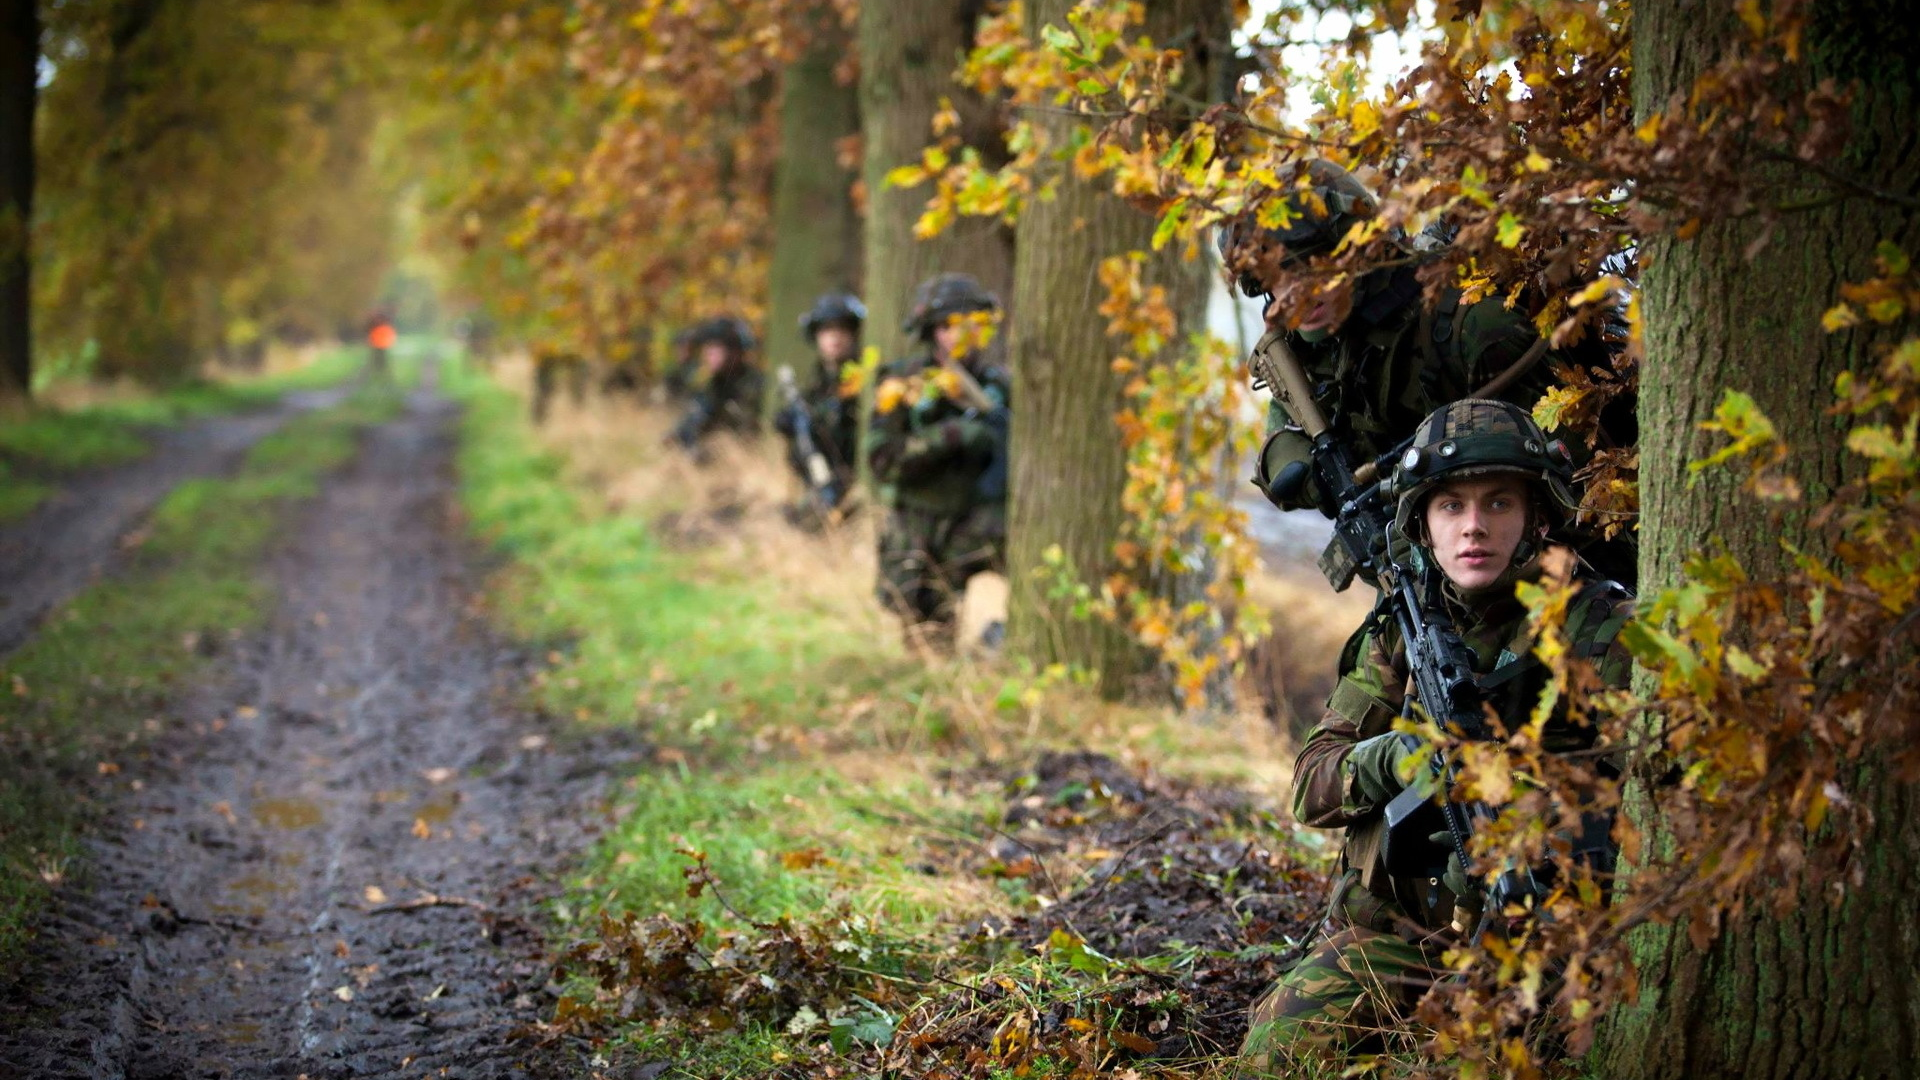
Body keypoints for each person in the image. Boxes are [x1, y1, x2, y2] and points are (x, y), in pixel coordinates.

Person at [1238, 399, 1633, 1070]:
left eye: (1499, 504)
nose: (1473, 527)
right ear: (1422, 523)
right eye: (1451, 507)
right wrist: (1390, 758)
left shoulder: (1601, 632)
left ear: (1538, 517)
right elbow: (1311, 788)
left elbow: (1659, 799)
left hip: (1551, 946)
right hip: (1405, 937)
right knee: (1271, 1057)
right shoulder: (1402, 631)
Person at [1219, 161, 1623, 521]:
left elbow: (1583, 491)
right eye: (1274, 280)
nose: (1294, 297)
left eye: (1309, 269)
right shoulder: (1316, 341)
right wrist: (1308, 473)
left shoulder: (1475, 328)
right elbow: (1287, 418)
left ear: (1360, 249)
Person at [864, 273, 1010, 641]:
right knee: (926, 633)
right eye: (946, 326)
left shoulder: (1000, 387)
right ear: (931, 332)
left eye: (967, 324)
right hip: (920, 524)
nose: (957, 335)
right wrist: (951, 436)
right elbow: (882, 460)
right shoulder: (902, 385)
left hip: (982, 520)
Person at [774, 292, 866, 519]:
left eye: (842, 329)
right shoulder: (817, 381)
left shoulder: (862, 377)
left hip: (853, 479)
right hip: (820, 479)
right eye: (826, 330)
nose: (835, 337)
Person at [669, 316, 763, 454]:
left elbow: (753, 433)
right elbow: (694, 421)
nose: (708, 353)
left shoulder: (755, 385)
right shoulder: (713, 384)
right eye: (707, 346)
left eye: (717, 347)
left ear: (736, 351)